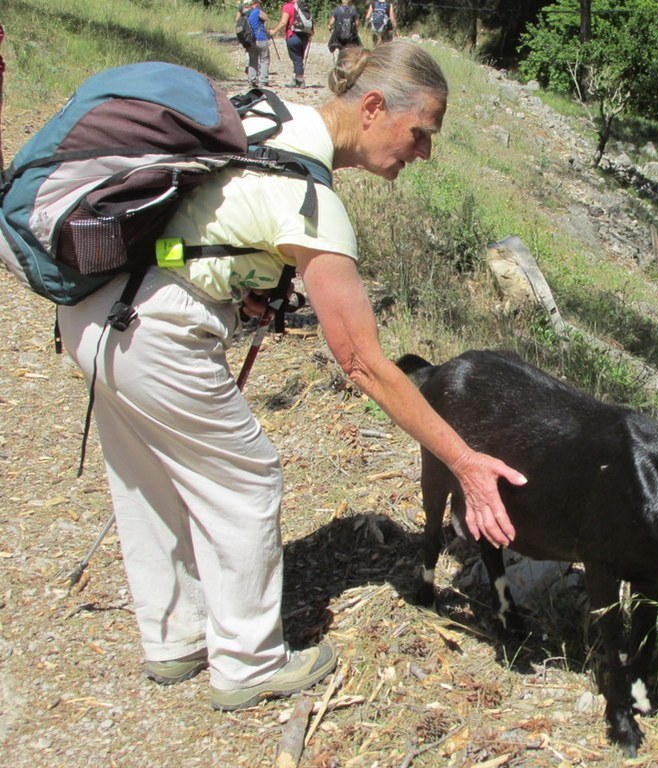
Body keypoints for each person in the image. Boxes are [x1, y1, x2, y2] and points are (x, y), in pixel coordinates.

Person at [56, 41, 526, 712]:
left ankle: (176, 639)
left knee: (147, 480)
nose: (423, 152)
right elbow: (363, 362)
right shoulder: (310, 199)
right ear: (372, 107)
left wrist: (235, 276)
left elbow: (200, 213)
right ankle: (247, 662)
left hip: (97, 301)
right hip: (151, 330)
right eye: (420, 132)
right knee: (247, 478)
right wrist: (465, 462)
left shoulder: (264, 116)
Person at [270, 0, 311, 87]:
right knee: (299, 58)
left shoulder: (288, 6)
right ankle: (296, 79)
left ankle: (300, 80)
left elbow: (284, 22)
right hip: (305, 35)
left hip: (293, 35)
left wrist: (274, 31)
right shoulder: (303, 5)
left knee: (296, 59)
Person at [240, 0, 271, 88]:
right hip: (261, 38)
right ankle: (263, 80)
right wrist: (260, 10)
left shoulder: (245, 14)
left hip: (250, 41)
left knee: (252, 61)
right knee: (264, 59)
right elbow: (266, 17)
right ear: (254, 4)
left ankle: (251, 80)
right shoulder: (257, 11)